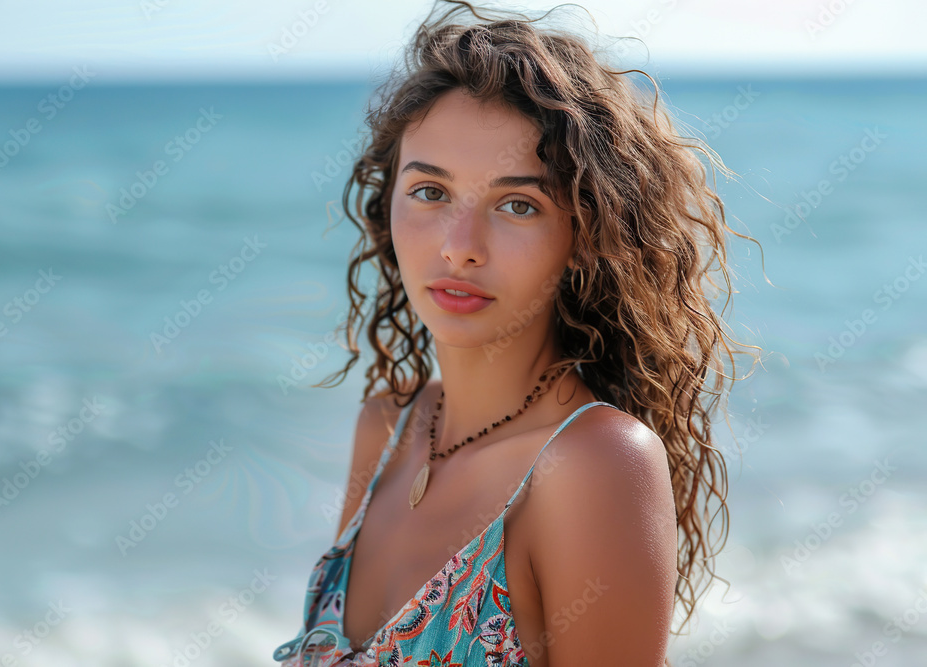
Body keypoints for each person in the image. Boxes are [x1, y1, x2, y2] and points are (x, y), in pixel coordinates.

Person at [274, 1, 760, 665]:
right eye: (431, 192)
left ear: (586, 238)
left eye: (517, 204)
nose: (460, 247)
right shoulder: (387, 429)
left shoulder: (595, 463)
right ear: (386, 208)